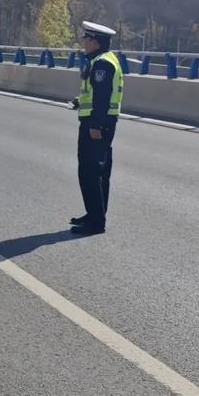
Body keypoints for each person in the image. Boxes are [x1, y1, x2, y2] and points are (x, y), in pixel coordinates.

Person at [71, 21, 123, 235]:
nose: (84, 43)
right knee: (99, 172)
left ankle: (96, 222)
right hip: (101, 121)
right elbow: (95, 94)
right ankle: (94, 214)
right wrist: (80, 101)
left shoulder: (102, 64)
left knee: (90, 172)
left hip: (97, 124)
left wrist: (95, 125)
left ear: (95, 41)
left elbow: (102, 97)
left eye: (86, 39)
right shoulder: (104, 60)